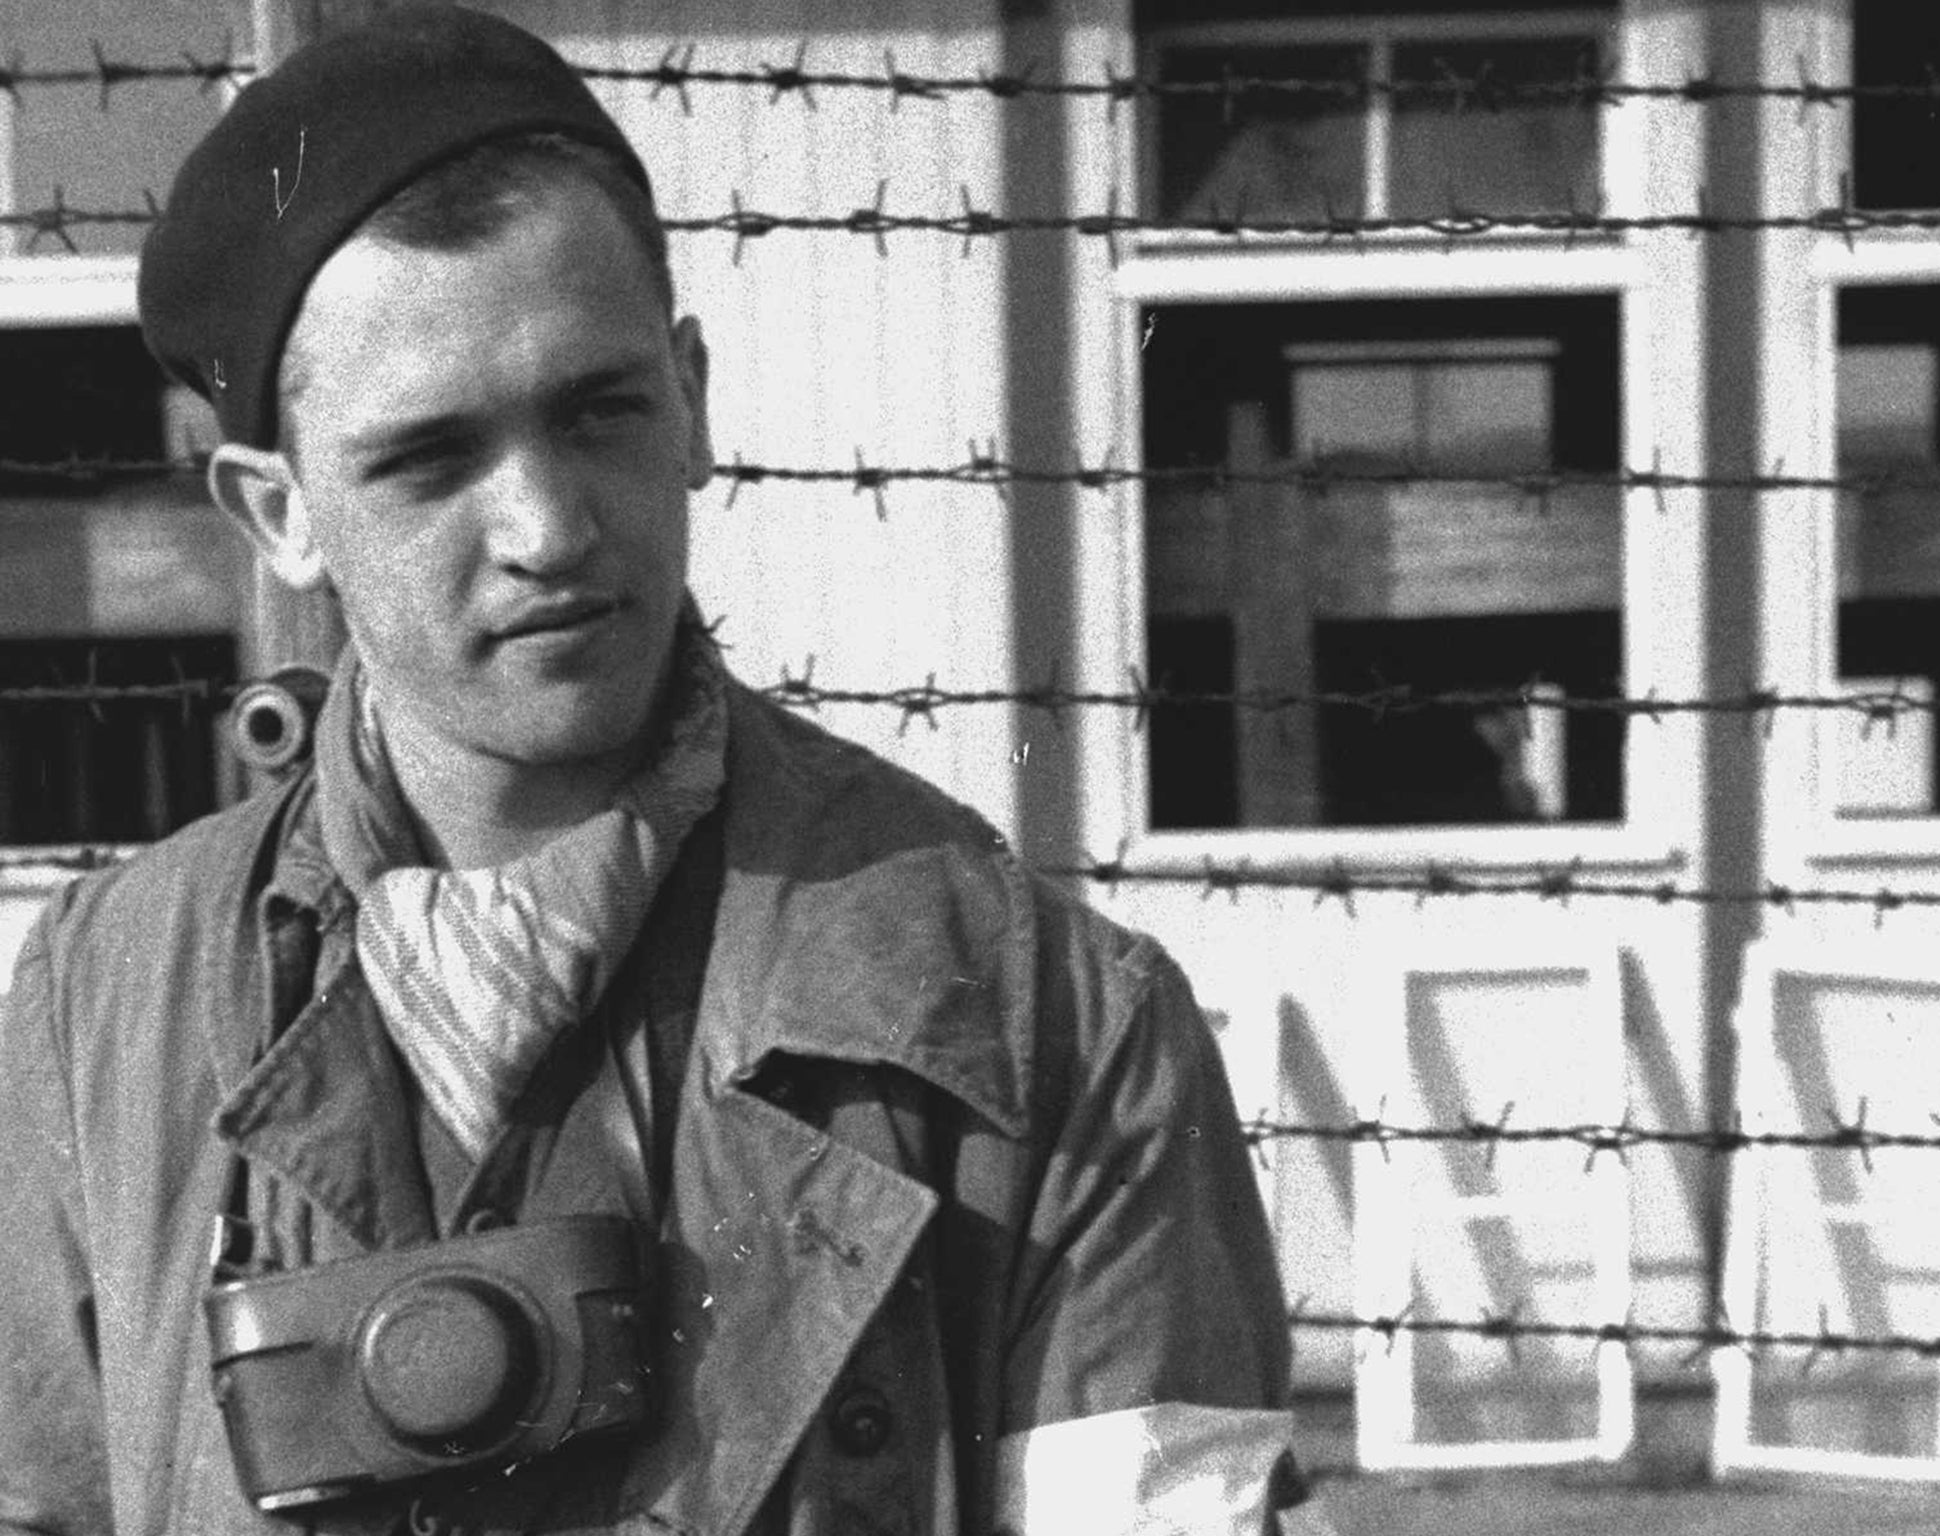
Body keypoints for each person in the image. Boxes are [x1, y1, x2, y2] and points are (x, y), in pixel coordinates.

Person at [0, 8, 1297, 1534]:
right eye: (428, 460)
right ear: (277, 512)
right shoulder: (107, 1014)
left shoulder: (1053, 1034)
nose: (547, 526)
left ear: (690, 398)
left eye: (598, 409)